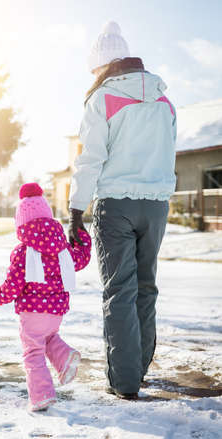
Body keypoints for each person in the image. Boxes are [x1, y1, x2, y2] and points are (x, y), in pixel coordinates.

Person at [68, 21, 177, 400]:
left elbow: (90, 158)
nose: (94, 76)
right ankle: (140, 370)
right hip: (156, 207)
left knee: (119, 292)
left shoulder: (103, 98)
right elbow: (167, 153)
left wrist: (76, 209)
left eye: (94, 69)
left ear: (103, 65)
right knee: (146, 288)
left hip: (116, 205)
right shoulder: (165, 101)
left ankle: (125, 382)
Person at [0, 183, 91, 411]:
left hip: (32, 312)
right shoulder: (62, 249)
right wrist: (84, 240)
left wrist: (1, 296)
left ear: (21, 222)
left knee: (33, 351)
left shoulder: (23, 251)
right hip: (56, 311)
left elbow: (14, 283)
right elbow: (80, 260)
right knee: (47, 338)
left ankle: (41, 396)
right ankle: (65, 357)